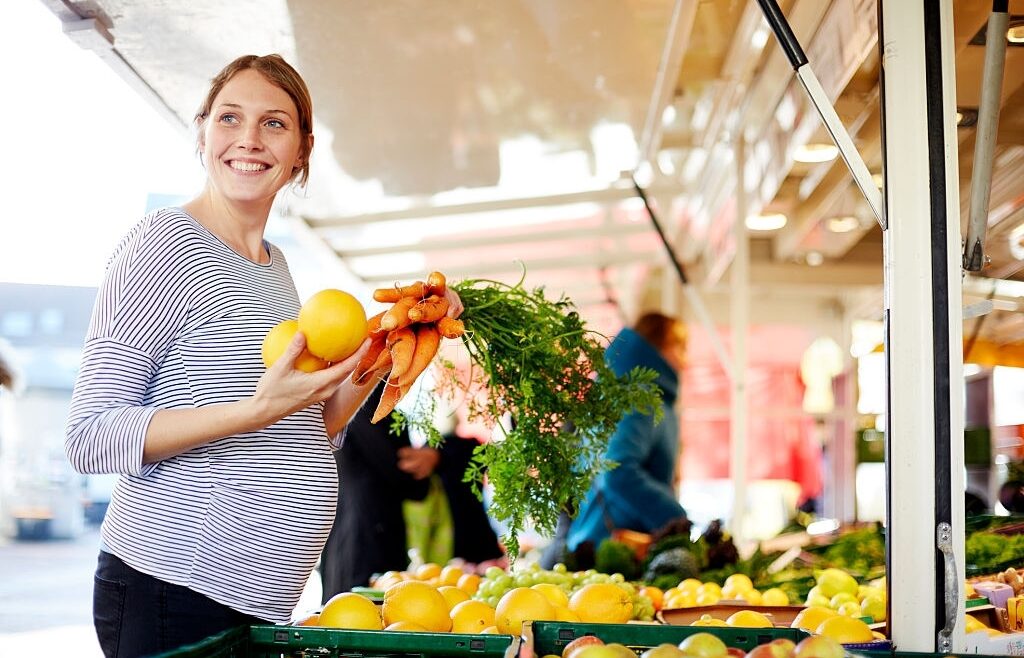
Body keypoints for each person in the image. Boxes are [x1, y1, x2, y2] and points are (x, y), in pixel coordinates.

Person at [63, 54, 461, 657]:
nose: (248, 140)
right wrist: (253, 409)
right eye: (230, 118)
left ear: (302, 149)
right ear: (202, 132)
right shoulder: (161, 246)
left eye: (273, 123)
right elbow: (90, 437)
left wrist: (392, 349)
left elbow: (305, 429)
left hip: (257, 602)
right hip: (170, 589)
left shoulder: (275, 269)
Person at [565, 311, 689, 553]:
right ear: (660, 347)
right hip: (615, 548)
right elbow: (616, 469)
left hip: (593, 539)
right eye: (681, 347)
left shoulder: (615, 392)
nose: (686, 361)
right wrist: (673, 517)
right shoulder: (640, 398)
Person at [319, 380, 430, 601]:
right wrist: (431, 458)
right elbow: (411, 483)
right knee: (363, 617)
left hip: (351, 534)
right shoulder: (369, 407)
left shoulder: (343, 405)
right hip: (367, 541)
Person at [397, 431, 506, 570]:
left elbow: (477, 451)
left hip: (478, 556)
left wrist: (436, 456)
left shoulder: (452, 448)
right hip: (440, 565)